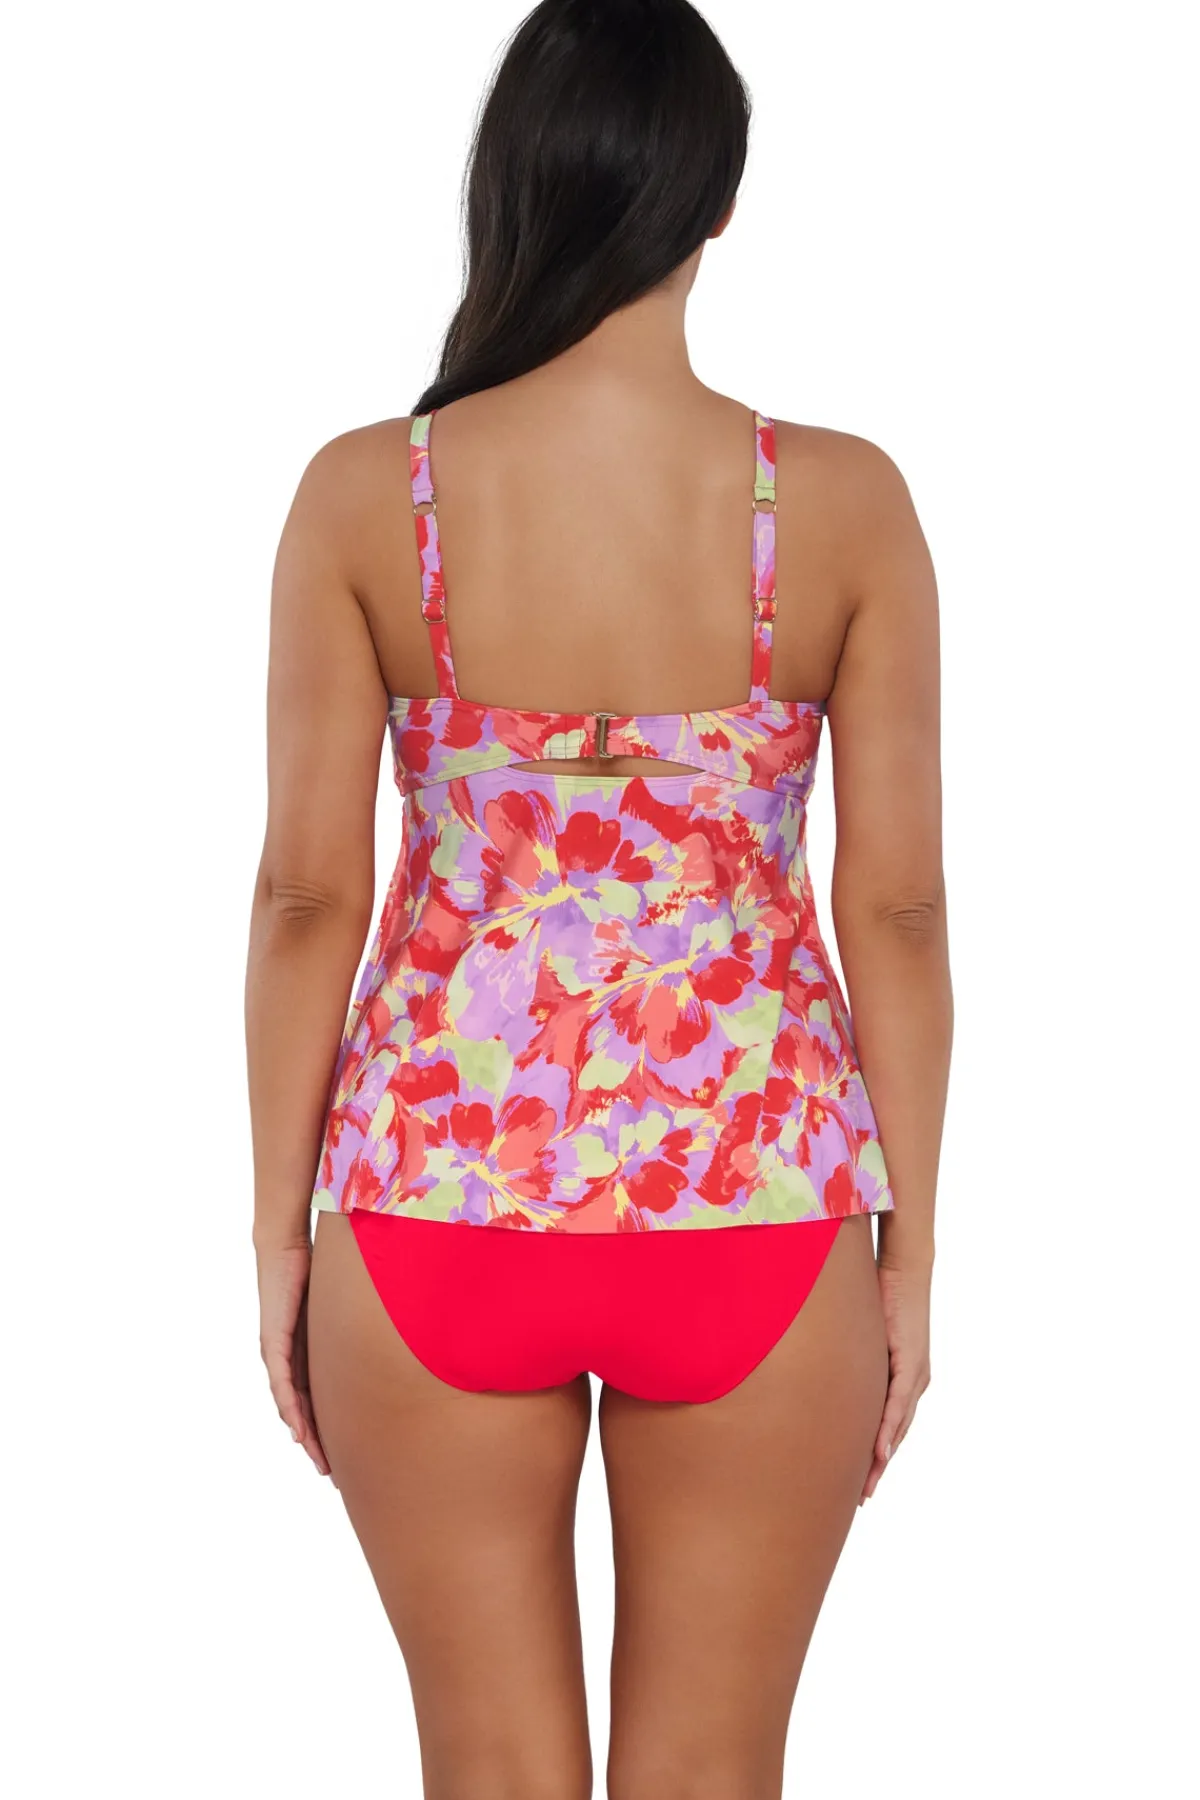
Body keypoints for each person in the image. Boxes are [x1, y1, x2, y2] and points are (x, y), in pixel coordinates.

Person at [245, 1, 951, 1793]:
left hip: (430, 1196)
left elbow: (309, 896)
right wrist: (912, 1256)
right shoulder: (842, 504)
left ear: (515, 186)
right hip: (759, 1199)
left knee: (488, 1773)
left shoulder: (370, 496)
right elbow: (899, 912)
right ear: (717, 200)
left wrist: (278, 1240)